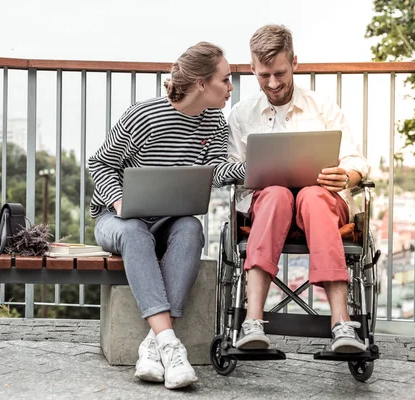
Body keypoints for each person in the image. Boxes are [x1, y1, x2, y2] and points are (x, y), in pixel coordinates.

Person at [88, 42, 244, 389]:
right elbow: (99, 163)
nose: (231, 87)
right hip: (118, 221)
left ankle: (153, 344)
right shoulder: (143, 117)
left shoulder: (214, 122)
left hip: (170, 219)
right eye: (226, 79)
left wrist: (250, 169)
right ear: (202, 83)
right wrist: (118, 204)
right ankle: (172, 347)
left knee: (191, 228)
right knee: (134, 234)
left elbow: (216, 170)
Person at [227, 25, 370, 353]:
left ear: (295, 62)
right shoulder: (241, 115)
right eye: (264, 76)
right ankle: (252, 322)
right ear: (252, 69)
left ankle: (341, 323)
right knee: (276, 193)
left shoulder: (323, 107)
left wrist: (346, 176)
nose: (273, 83)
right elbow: (232, 171)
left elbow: (356, 160)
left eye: (280, 72)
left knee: (313, 196)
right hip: (268, 206)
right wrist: (259, 175)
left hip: (320, 204)